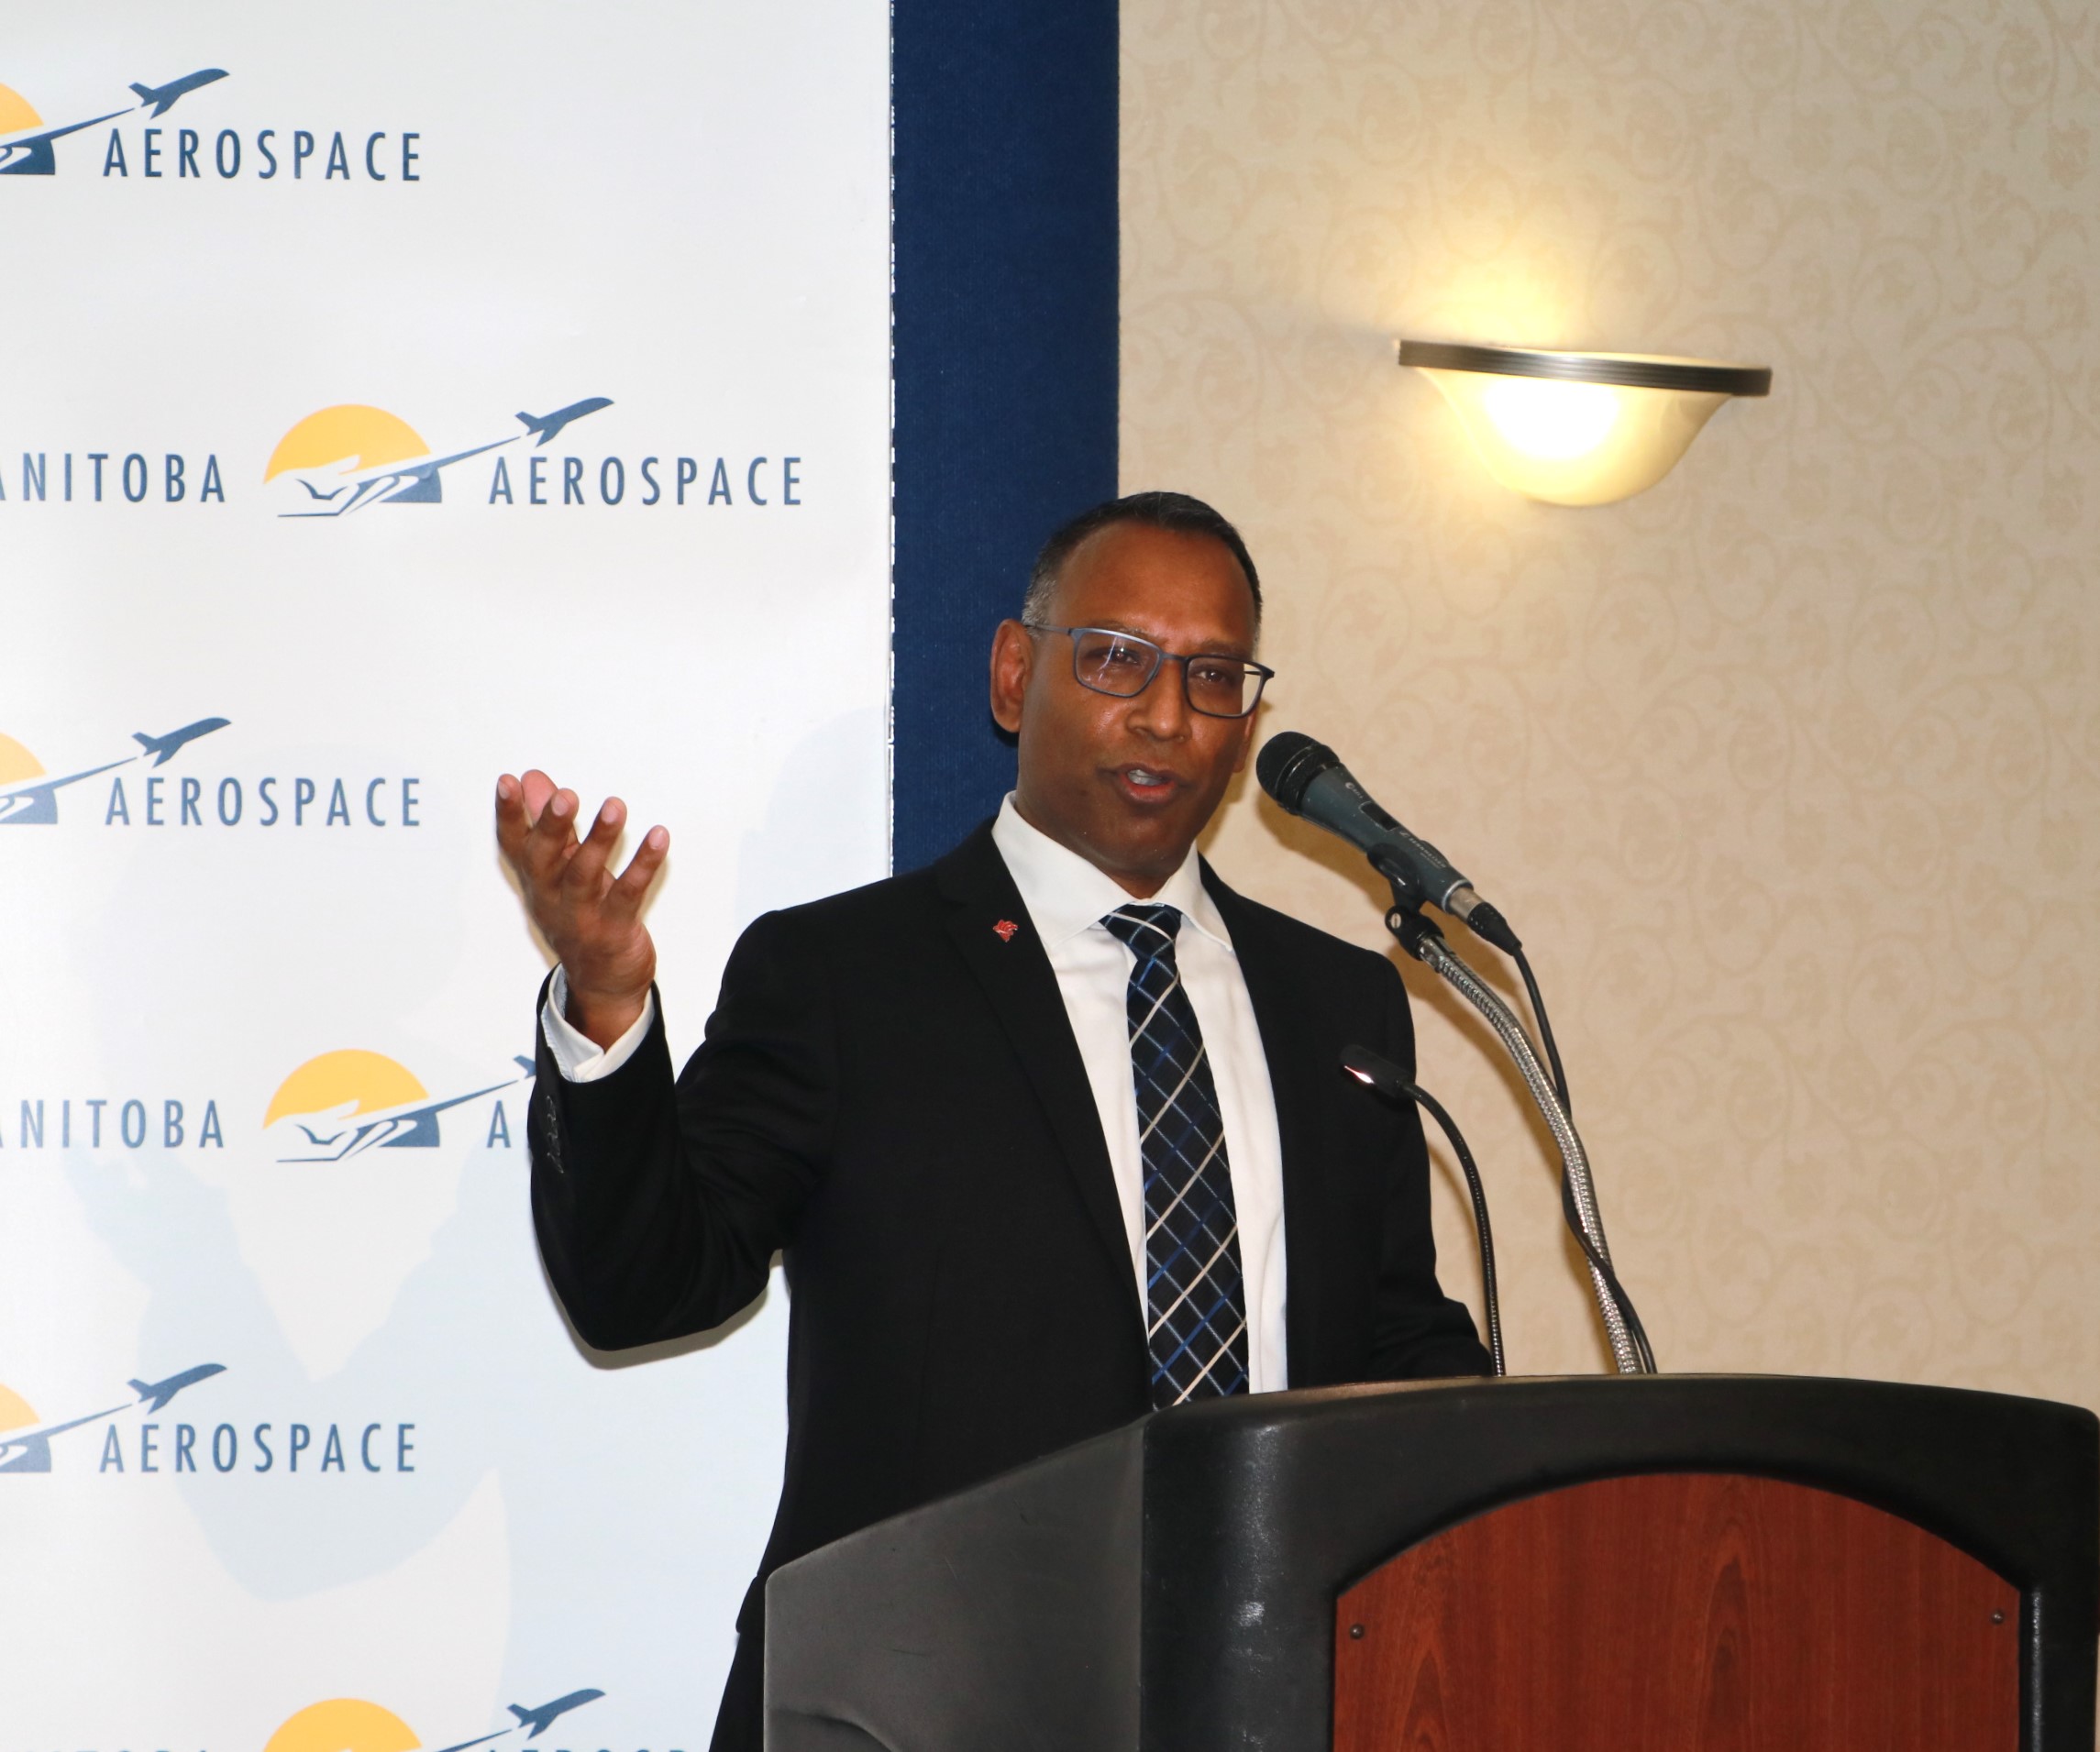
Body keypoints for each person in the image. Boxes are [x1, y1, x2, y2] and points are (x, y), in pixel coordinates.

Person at [494, 490, 1489, 1752]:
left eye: (1214, 676)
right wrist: (604, 1003)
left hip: (1270, 1695)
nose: (1166, 715)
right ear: (1016, 674)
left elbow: (1391, 1342)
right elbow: (643, 1286)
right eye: (1119, 658)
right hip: (916, 1706)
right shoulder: (845, 977)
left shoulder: (1337, 1003)